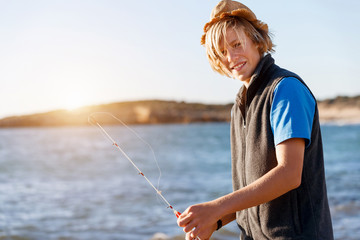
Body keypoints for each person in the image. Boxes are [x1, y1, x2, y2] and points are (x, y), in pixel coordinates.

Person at [177, 0, 334, 239]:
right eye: (221, 52)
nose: (230, 57)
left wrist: (216, 207)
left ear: (256, 39)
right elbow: (252, 192)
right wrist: (217, 220)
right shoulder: (239, 106)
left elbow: (290, 173)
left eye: (236, 44)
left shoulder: (286, 89)